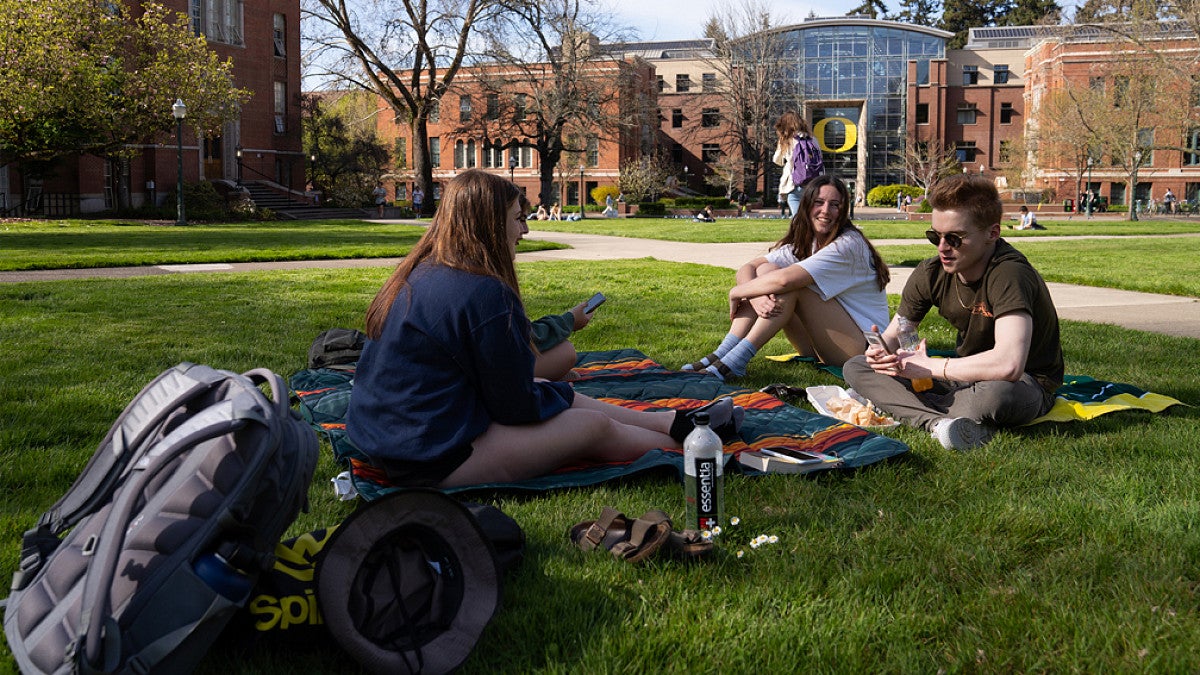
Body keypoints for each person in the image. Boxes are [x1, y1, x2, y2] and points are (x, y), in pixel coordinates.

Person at [347, 170, 743, 488]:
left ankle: (676, 423)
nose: (526, 231)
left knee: (559, 393)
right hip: (428, 456)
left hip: (389, 437)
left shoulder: (422, 273)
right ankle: (697, 449)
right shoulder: (484, 292)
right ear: (488, 224)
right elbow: (515, 407)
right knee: (592, 426)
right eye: (518, 219)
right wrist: (554, 395)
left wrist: (553, 392)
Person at [843, 174, 1064, 451]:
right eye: (935, 236)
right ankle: (939, 424)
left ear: (992, 234)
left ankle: (899, 403)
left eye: (955, 239)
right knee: (856, 366)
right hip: (958, 378)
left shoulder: (1009, 273)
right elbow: (898, 332)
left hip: (1023, 383)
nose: (942, 247)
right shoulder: (930, 272)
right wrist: (880, 354)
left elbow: (1009, 365)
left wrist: (930, 367)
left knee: (995, 397)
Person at [681, 175, 890, 379]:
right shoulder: (807, 244)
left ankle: (735, 361)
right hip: (821, 346)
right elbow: (750, 267)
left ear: (843, 211)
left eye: (834, 205)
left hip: (863, 351)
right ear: (806, 205)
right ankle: (721, 354)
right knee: (766, 271)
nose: (826, 211)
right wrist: (755, 297)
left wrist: (737, 292)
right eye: (819, 202)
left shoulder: (848, 245)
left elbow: (784, 281)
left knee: (790, 285)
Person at [772, 111, 823, 217]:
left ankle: (803, 233)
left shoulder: (787, 140)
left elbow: (776, 160)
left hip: (794, 183)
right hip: (813, 185)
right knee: (811, 218)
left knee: (798, 219)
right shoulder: (813, 140)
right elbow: (820, 160)